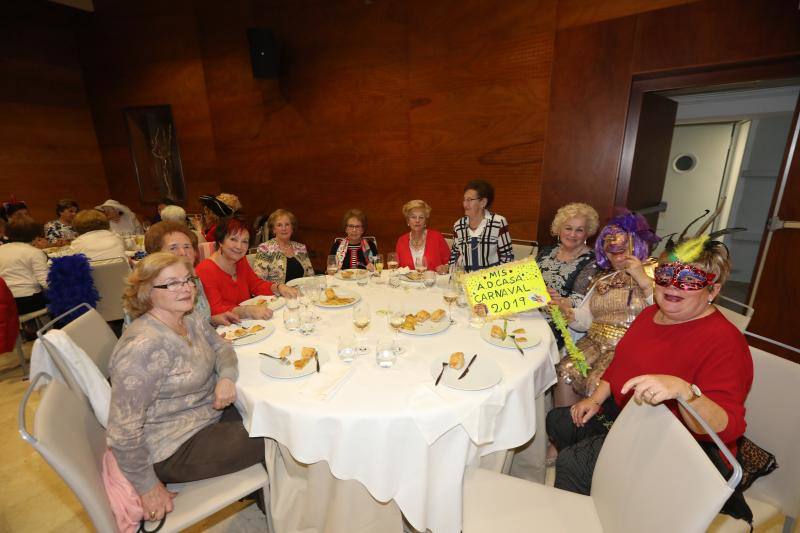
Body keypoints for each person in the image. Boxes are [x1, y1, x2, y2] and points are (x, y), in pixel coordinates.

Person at [546, 215, 752, 496]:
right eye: (666, 275)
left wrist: (683, 391)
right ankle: (608, 492)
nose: (671, 286)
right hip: (636, 419)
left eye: (689, 280)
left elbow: (727, 428)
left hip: (685, 446)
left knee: (574, 464)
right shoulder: (650, 315)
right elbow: (621, 364)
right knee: (560, 420)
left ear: (713, 290)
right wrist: (595, 399)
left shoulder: (724, 342)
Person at [107, 252, 265, 523]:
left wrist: (226, 377)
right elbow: (122, 433)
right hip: (174, 446)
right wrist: (147, 487)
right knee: (276, 435)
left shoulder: (187, 319)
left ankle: (267, 496)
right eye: (171, 284)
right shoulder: (142, 348)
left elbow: (222, 347)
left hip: (207, 415)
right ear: (146, 292)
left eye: (188, 280)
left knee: (268, 411)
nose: (187, 288)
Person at [549, 212, 659, 408]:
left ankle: (595, 436)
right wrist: (567, 311)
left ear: (636, 246)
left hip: (627, 348)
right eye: (611, 252)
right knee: (564, 371)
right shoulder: (602, 278)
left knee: (595, 385)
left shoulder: (654, 272)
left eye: (623, 250)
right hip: (593, 342)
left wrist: (642, 279)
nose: (617, 257)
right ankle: (565, 431)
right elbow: (586, 320)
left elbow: (664, 312)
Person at [196, 218, 298, 318]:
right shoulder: (205, 269)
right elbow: (215, 309)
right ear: (220, 241)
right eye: (233, 239)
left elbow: (256, 285)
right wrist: (246, 311)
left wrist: (279, 287)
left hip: (247, 323)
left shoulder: (240, 260)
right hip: (224, 328)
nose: (239, 246)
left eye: (244, 241)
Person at [144, 221, 237, 326]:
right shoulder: (155, 289)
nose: (183, 253)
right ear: (156, 255)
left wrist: (212, 320)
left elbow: (194, 322)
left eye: (187, 246)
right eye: (173, 248)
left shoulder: (193, 281)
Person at [538, 203, 600, 348]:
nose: (572, 234)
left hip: (561, 324)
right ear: (559, 229)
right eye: (568, 228)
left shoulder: (591, 261)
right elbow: (529, 280)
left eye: (579, 230)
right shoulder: (547, 251)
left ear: (587, 233)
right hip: (533, 313)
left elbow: (580, 299)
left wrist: (560, 300)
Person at [449, 179, 513, 271]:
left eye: (469, 200)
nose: (465, 204)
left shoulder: (498, 222)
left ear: (483, 202)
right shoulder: (458, 225)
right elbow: (454, 255)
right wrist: (453, 276)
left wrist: (496, 281)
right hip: (464, 281)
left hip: (490, 282)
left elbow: (507, 257)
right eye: (464, 200)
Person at [0, 216, 48, 315]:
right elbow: (45, 281)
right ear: (34, 234)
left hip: (4, 300)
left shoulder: (1, 249)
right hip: (27, 300)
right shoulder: (35, 252)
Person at [253, 209, 314, 284]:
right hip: (276, 294)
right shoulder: (265, 248)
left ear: (292, 228)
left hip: (301, 293)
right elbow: (259, 281)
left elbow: (310, 276)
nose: (284, 228)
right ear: (273, 229)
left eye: (287, 224)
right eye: (279, 225)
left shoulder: (300, 248)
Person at [395, 200, 451, 274]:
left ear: (425, 221)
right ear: (407, 221)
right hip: (408, 284)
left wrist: (446, 267)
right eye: (413, 217)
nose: (417, 220)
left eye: (421, 217)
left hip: (431, 283)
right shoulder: (401, 241)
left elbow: (451, 262)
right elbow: (397, 269)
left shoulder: (436, 237)